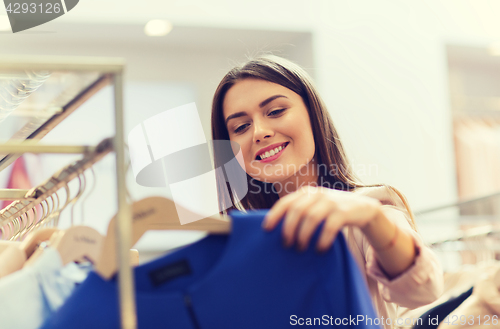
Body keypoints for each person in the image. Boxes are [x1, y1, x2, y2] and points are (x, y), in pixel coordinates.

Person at [210, 54, 443, 328]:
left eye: (275, 111)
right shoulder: (241, 242)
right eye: (241, 127)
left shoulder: (366, 210)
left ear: (313, 114)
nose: (259, 132)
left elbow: (423, 289)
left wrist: (370, 218)